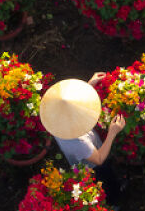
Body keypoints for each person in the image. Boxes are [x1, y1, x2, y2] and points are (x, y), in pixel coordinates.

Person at [39, 76, 126, 204]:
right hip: (93, 167)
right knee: (107, 181)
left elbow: (68, 106)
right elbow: (99, 159)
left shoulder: (54, 118)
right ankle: (114, 202)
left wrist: (89, 86)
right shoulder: (78, 142)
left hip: (88, 154)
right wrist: (112, 133)